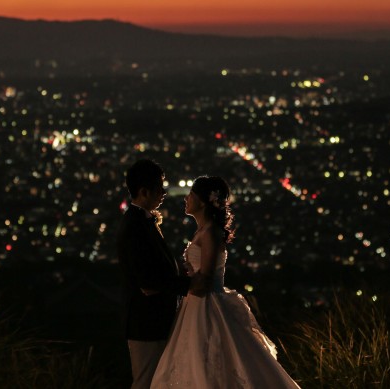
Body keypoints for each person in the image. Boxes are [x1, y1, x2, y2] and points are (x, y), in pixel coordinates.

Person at [151, 176, 301, 388]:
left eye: (191, 195)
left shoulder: (210, 232)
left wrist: (180, 282)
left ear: (203, 201)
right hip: (195, 303)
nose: (186, 199)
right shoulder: (203, 231)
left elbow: (206, 277)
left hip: (205, 304)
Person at [118, 159, 191, 389]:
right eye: (160, 188)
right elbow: (147, 281)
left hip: (154, 321)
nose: (164, 193)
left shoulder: (142, 222)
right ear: (143, 191)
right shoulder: (135, 226)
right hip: (146, 323)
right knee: (147, 382)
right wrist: (188, 284)